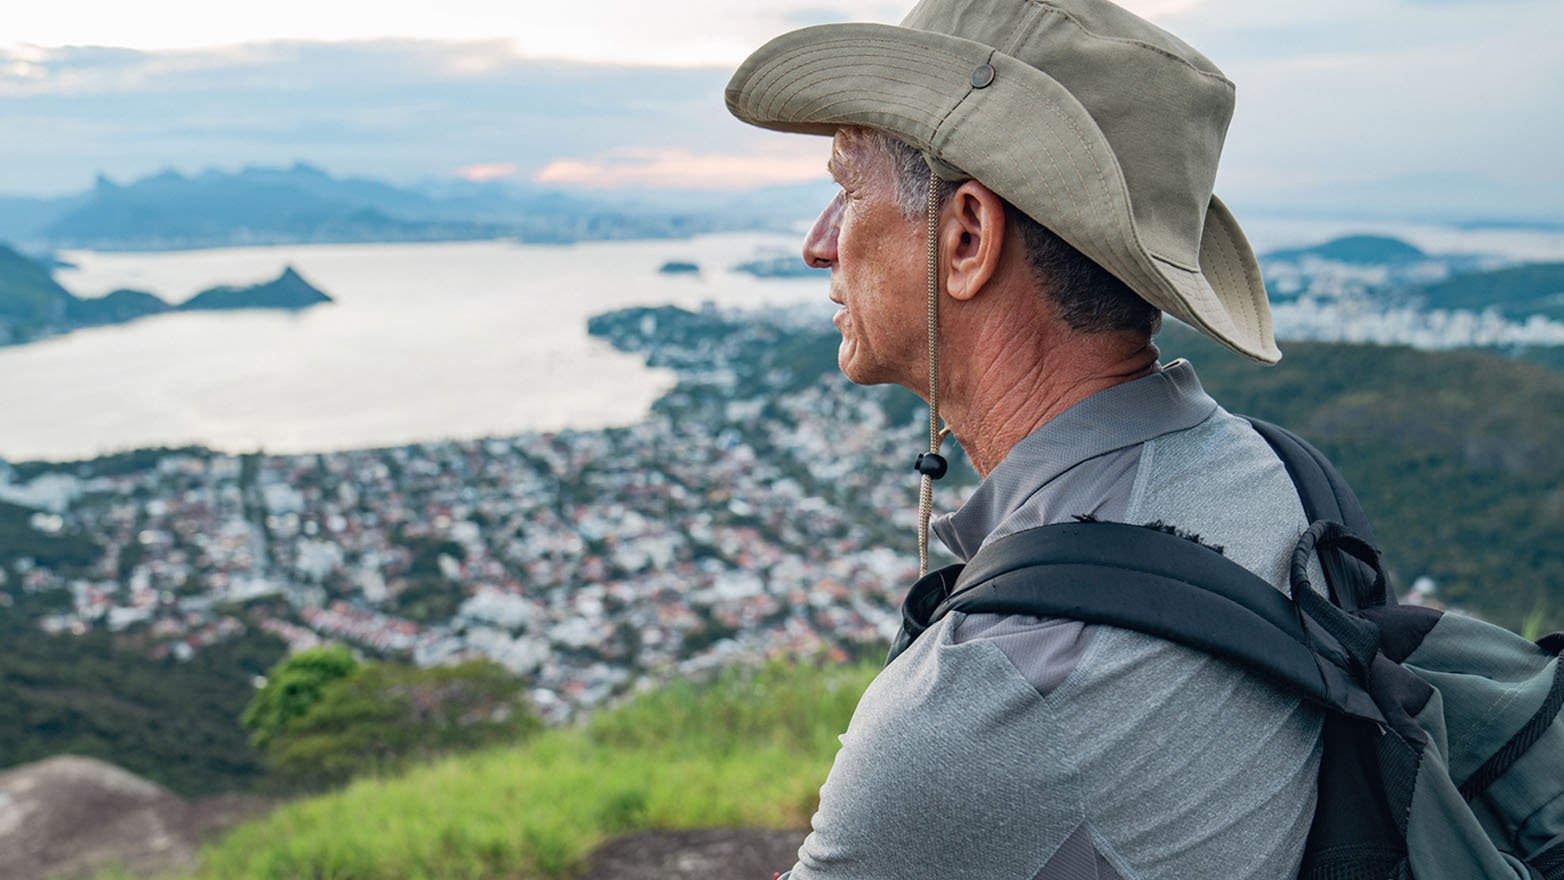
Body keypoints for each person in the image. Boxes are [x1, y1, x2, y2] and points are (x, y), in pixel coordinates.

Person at [725, 1, 1324, 878]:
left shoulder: (988, 702)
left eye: (848, 192)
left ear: (967, 236)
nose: (818, 245)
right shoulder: (1272, 476)